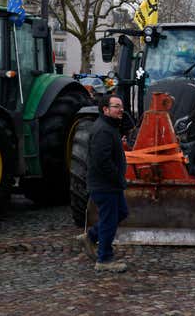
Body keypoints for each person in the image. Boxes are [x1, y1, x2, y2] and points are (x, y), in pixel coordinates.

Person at [77, 94, 129, 273]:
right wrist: (118, 178)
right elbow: (102, 161)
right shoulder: (103, 130)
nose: (120, 109)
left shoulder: (110, 127)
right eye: (116, 106)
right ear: (105, 109)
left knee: (121, 212)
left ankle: (91, 236)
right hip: (105, 185)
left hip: (111, 184)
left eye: (121, 106)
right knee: (109, 220)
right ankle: (104, 259)